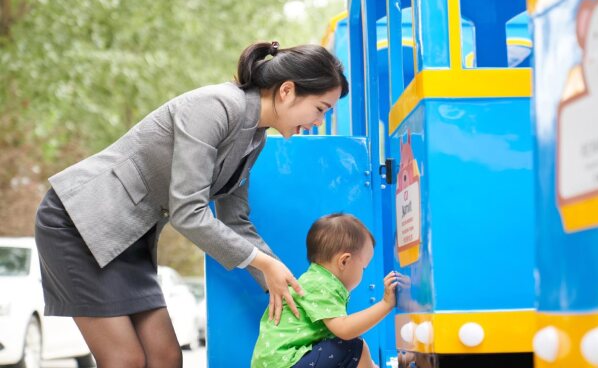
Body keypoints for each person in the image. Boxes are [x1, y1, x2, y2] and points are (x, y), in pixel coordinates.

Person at [34, 41, 348, 368]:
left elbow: (235, 223)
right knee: (124, 360)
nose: (319, 121)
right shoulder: (216, 107)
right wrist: (265, 265)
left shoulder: (254, 139)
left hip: (131, 237)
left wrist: (292, 292)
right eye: (321, 108)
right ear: (286, 91)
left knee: (166, 358)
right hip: (80, 221)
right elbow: (188, 212)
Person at [251, 213, 398, 368]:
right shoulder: (321, 285)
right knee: (353, 345)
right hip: (287, 364)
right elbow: (345, 329)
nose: (363, 273)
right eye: (363, 267)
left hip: (286, 362)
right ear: (344, 261)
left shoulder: (314, 280)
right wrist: (386, 304)